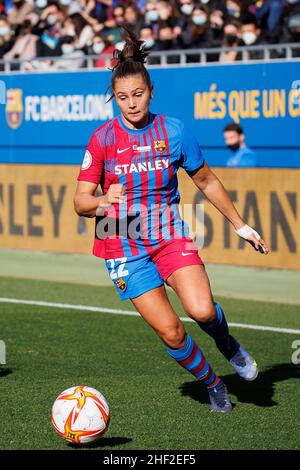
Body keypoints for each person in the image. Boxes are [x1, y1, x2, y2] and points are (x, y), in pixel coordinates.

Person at [74, 28, 270, 414]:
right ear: (114, 98)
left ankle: (227, 342)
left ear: (151, 91)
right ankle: (213, 385)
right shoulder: (102, 139)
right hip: (122, 239)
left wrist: (240, 225)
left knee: (202, 311)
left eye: (138, 95)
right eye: (122, 98)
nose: (131, 104)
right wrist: (100, 201)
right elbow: (80, 202)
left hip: (168, 231)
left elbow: (206, 180)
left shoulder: (175, 131)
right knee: (171, 330)